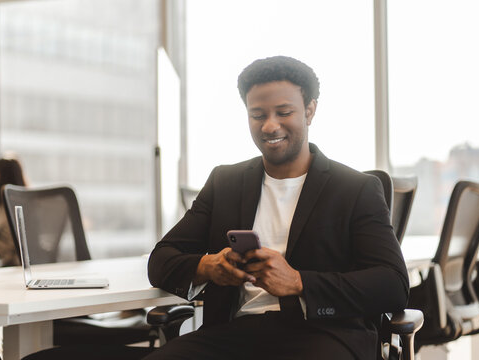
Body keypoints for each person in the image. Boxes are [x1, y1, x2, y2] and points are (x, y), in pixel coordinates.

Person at [146, 56, 409, 359]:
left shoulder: (354, 188)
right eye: (257, 115)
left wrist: (298, 282)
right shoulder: (225, 182)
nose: (270, 126)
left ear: (309, 111)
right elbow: (161, 260)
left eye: (284, 112)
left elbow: (393, 284)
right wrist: (209, 267)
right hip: (233, 336)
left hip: (324, 335)